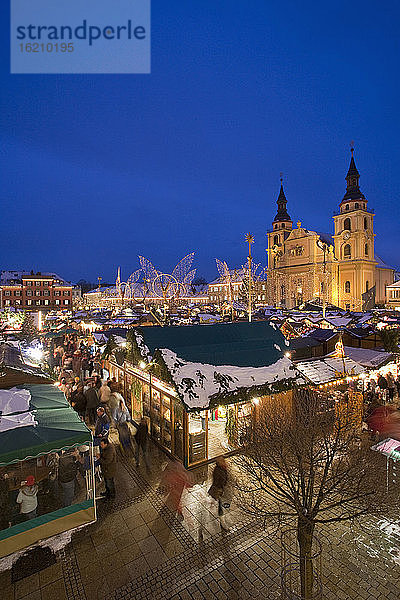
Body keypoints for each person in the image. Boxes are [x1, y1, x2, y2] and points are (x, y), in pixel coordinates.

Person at [208, 456, 229, 529]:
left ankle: (214, 505)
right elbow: (217, 482)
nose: (225, 462)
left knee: (220, 503)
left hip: (220, 489)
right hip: (219, 490)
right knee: (220, 505)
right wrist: (220, 488)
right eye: (223, 461)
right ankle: (222, 522)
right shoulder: (218, 471)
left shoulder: (223, 468)